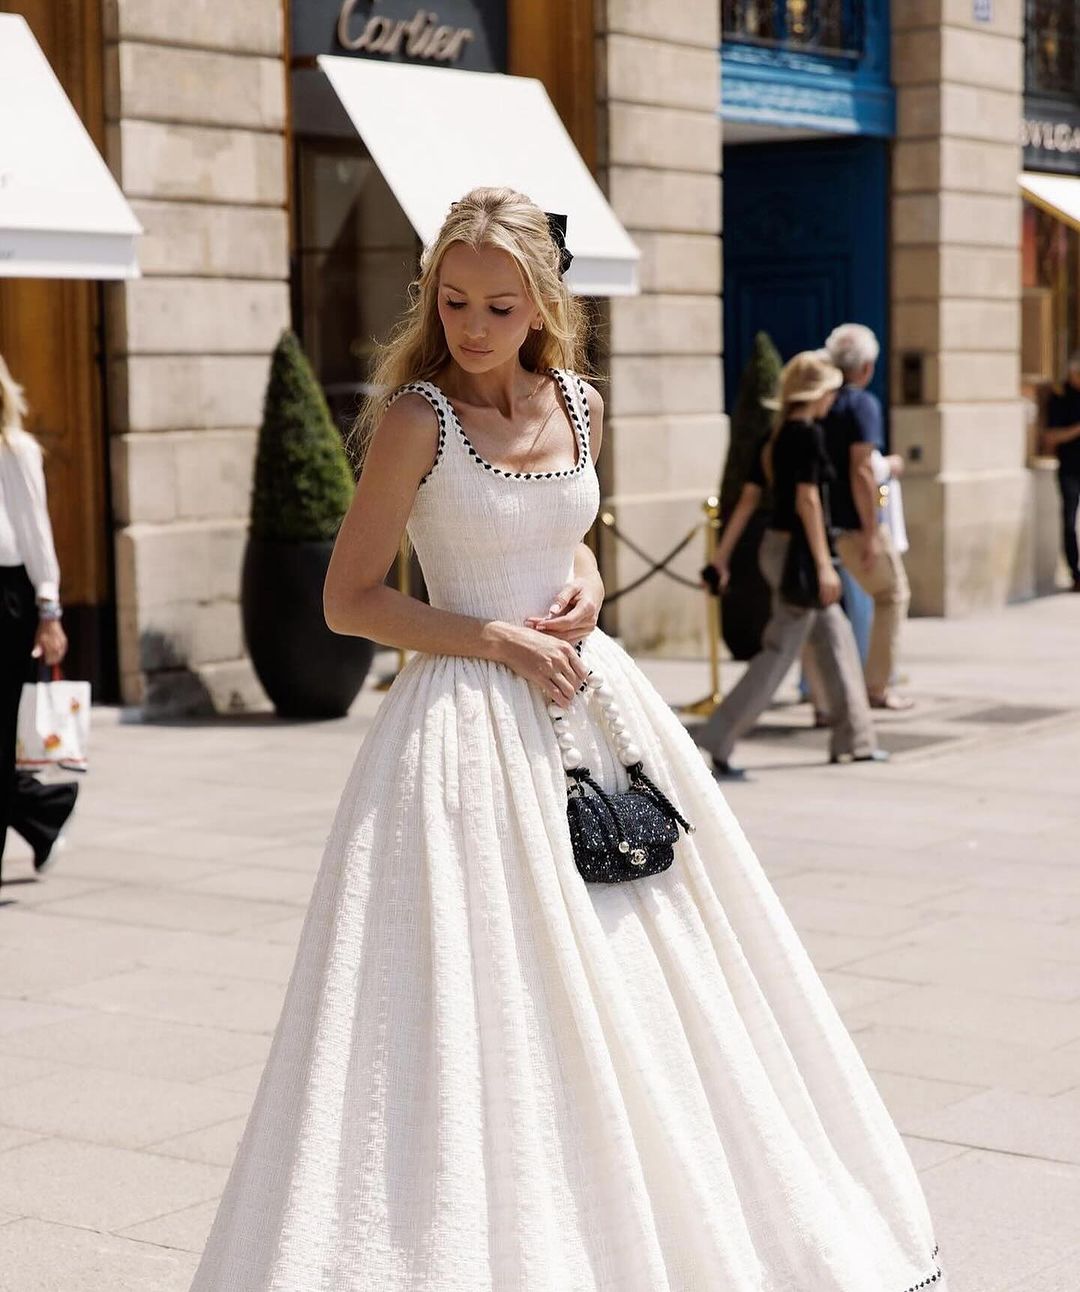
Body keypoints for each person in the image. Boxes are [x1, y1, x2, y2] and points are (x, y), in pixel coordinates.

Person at [188, 190, 943, 1292]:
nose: (472, 325)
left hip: (591, 710)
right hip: (461, 732)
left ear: (544, 303)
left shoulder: (580, 404)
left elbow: (571, 535)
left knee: (652, 972)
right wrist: (494, 635)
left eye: (499, 304)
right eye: (453, 301)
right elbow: (349, 600)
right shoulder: (416, 419)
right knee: (483, 989)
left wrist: (584, 584)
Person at [697, 352, 885, 779]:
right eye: (832, 391)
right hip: (799, 557)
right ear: (818, 393)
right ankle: (718, 738)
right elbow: (808, 500)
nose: (834, 399)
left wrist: (722, 557)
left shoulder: (776, 435)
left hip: (779, 549)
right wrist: (824, 565)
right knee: (780, 650)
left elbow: (747, 501)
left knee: (835, 640)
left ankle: (855, 741)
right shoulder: (806, 436)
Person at [0, 356, 78, 886]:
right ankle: (46, 810)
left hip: (7, 601)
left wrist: (48, 611)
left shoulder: (16, 450)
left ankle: (47, 810)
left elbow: (36, 534)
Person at [821, 323, 913, 710]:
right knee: (893, 595)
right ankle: (877, 686)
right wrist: (873, 531)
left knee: (820, 613)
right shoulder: (861, 405)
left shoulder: (821, 402)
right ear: (867, 367)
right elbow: (861, 470)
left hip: (825, 524)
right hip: (854, 525)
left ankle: (824, 699)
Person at [1043, 352, 1080, 591]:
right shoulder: (1059, 397)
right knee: (1069, 521)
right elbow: (1050, 437)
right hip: (1069, 468)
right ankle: (1075, 574)